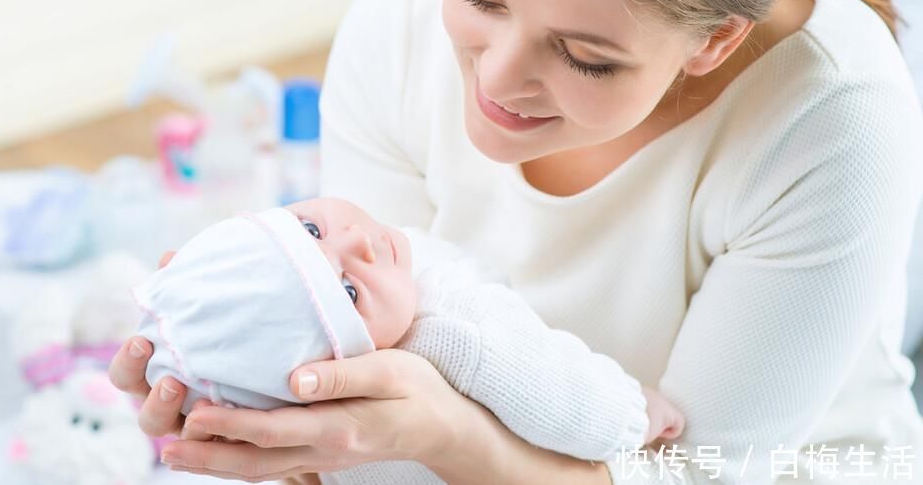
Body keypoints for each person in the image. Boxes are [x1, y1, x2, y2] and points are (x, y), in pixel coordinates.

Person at [110, 0, 923, 483]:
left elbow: (699, 471)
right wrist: (259, 398)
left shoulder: (836, 120)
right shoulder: (403, 15)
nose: (497, 81)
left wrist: (450, 437)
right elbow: (367, 339)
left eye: (585, 57)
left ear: (713, 43)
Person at [130, 197, 684, 459]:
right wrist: (633, 410)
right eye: (347, 291)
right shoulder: (456, 332)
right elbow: (570, 402)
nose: (360, 241)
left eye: (311, 227)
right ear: (337, 366)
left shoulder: (308, 421)